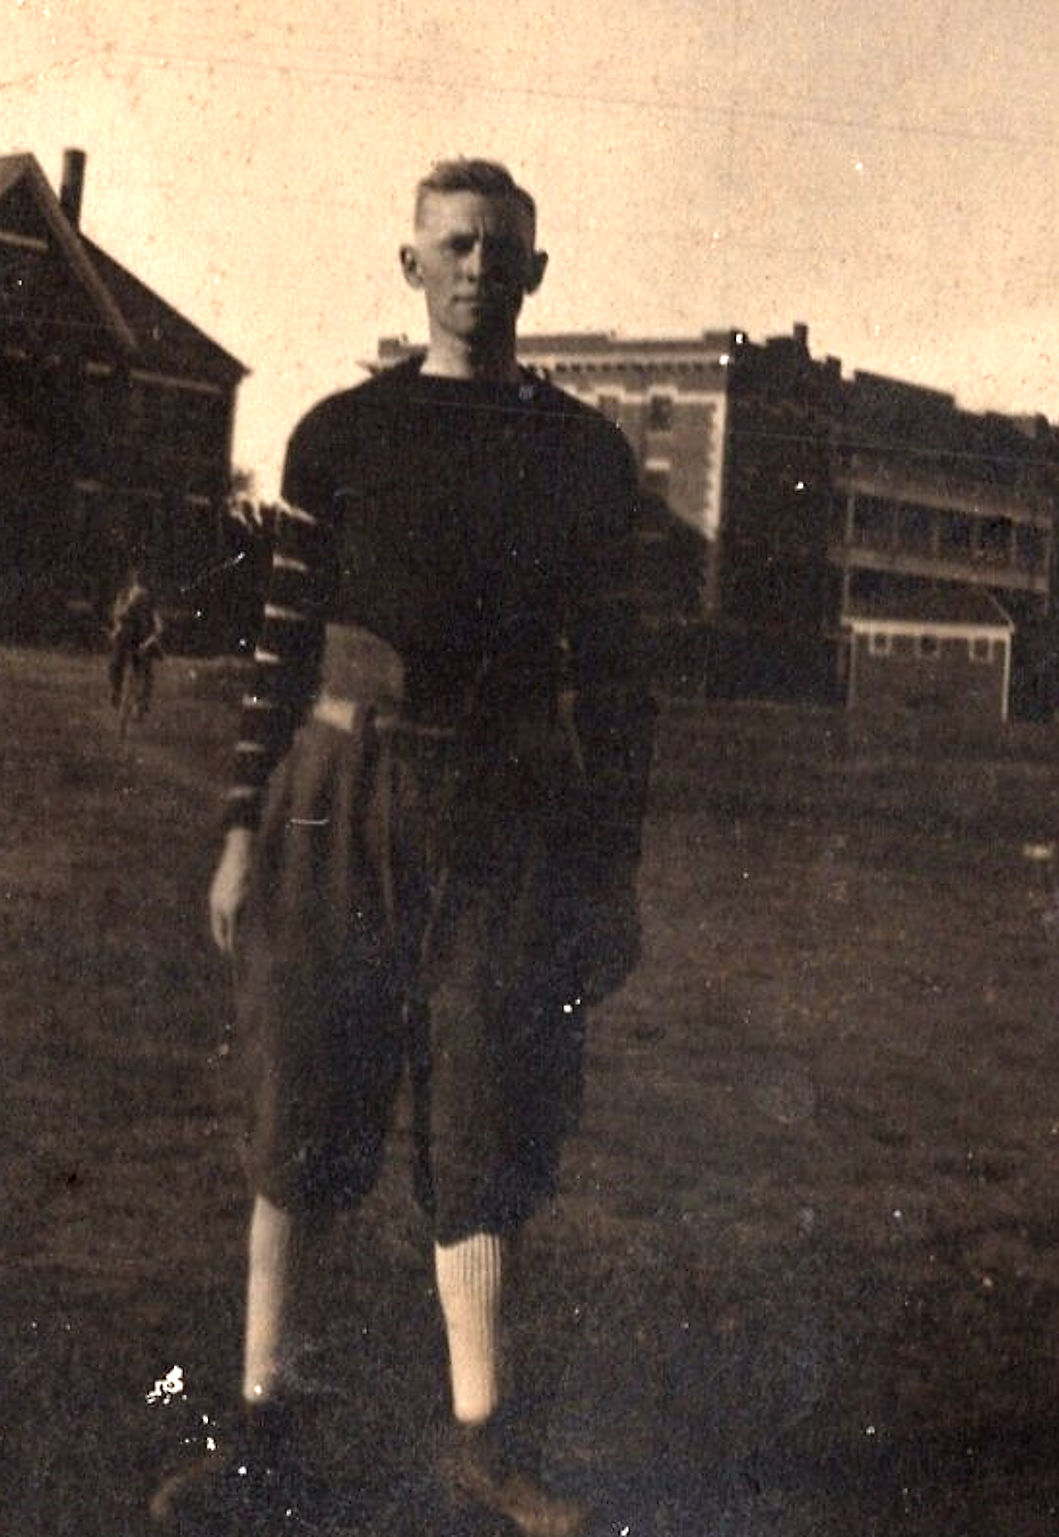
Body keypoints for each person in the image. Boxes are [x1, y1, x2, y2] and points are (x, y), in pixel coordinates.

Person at [150, 159, 655, 1536]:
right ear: (412, 263)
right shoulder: (341, 436)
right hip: (340, 797)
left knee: (488, 1102)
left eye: (501, 249)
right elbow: (281, 649)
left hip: (510, 814)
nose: (478, 267)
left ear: (535, 273)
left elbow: (618, 683)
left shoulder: (584, 457)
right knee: (301, 1102)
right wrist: (239, 829)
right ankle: (264, 1435)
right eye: (455, 244)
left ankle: (483, 1442)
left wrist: (611, 873)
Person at [108, 564, 164, 711]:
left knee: (144, 668)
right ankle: (116, 690)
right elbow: (117, 615)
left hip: (142, 636)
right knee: (116, 663)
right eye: (133, 575)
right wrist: (118, 626)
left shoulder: (147, 597)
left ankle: (141, 702)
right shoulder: (124, 595)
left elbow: (155, 618)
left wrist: (154, 635)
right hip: (126, 634)